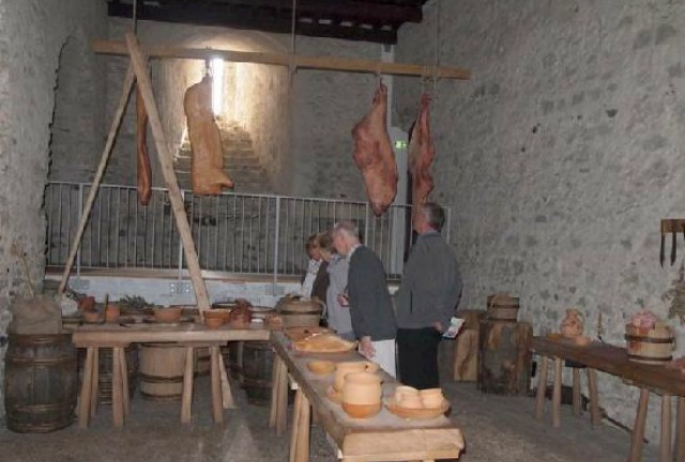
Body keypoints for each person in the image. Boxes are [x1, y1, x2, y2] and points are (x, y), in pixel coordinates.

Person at [395, 202, 462, 389]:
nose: (413, 219)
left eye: (417, 216)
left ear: (424, 220)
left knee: (415, 382)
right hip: (421, 324)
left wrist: (441, 318)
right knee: (425, 377)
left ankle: (419, 416)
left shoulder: (427, 248)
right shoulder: (442, 249)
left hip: (416, 325)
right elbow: (455, 285)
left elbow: (438, 286)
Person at [332, 221, 397, 377]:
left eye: (335, 240)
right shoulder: (362, 257)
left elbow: (368, 300)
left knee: (381, 380)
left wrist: (365, 335)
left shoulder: (361, 260)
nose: (334, 246)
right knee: (372, 381)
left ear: (342, 238)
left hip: (376, 333)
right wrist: (351, 300)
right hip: (376, 331)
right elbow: (365, 294)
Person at [317, 231, 354, 340]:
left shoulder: (341, 266)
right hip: (337, 325)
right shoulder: (333, 266)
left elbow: (349, 295)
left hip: (345, 327)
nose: (319, 252)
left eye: (319, 248)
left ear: (325, 250)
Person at [300, 233, 329, 302]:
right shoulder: (311, 264)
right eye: (309, 248)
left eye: (314, 247)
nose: (312, 251)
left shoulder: (327, 266)